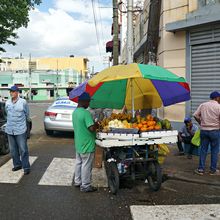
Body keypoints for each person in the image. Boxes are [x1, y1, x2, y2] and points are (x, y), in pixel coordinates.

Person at [72, 92, 99, 192]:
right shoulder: (85, 113)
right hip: (87, 143)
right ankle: (85, 185)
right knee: (86, 164)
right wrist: (96, 124)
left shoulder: (75, 112)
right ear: (83, 101)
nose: (89, 104)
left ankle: (77, 181)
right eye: (88, 101)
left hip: (79, 142)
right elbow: (91, 128)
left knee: (79, 162)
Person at [5, 85, 30, 175]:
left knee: (23, 149)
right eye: (10, 91)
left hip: (20, 130)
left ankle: (26, 167)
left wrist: (27, 130)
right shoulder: (7, 103)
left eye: (13, 91)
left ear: (17, 92)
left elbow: (27, 115)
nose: (11, 93)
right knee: (13, 150)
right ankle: (17, 165)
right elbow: (6, 113)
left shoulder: (23, 102)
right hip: (10, 129)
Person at [193, 91, 220, 176]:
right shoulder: (219, 107)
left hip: (204, 131)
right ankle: (213, 171)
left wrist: (200, 123)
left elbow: (195, 115)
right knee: (214, 151)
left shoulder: (203, 105)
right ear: (216, 98)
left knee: (203, 150)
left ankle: (200, 169)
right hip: (215, 131)